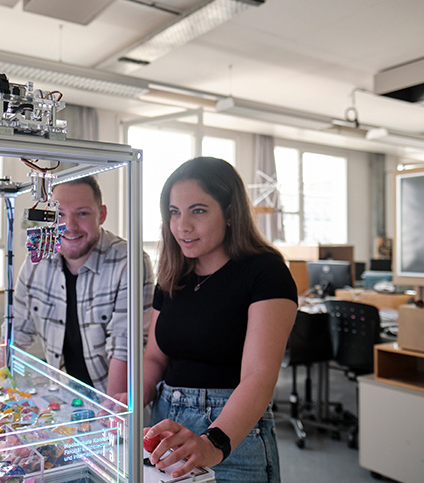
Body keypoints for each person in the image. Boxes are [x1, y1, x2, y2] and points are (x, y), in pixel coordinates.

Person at [116, 157, 297, 483]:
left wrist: (214, 443)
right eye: (174, 212)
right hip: (164, 430)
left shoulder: (266, 272)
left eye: (198, 210)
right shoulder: (173, 275)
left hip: (232, 436)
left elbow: (259, 376)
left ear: (229, 213)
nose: (182, 225)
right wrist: (127, 404)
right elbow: (155, 358)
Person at [11, 176, 154, 396]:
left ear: (102, 215)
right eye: (59, 215)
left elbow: (124, 350)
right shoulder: (36, 257)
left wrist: (110, 420)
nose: (69, 226)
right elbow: (14, 335)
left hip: (111, 398)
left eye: (82, 213)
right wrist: (1, 399)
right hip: (63, 395)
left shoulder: (130, 261)